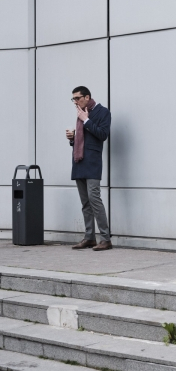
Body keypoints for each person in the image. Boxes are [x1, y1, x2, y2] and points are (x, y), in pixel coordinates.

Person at [66, 86, 112, 251]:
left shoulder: (102, 112)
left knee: (94, 199)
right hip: (79, 161)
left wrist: (86, 120)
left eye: (77, 98)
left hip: (92, 162)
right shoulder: (80, 113)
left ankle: (105, 239)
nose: (75, 102)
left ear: (87, 97)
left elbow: (102, 135)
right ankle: (89, 237)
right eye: (73, 99)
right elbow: (84, 139)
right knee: (85, 203)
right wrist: (73, 138)